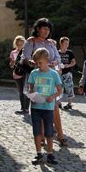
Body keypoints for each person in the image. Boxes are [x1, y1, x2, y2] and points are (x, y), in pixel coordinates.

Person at [22, 18, 67, 146]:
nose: (46, 31)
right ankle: (41, 136)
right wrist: (32, 62)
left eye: (48, 29)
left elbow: (58, 58)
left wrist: (54, 63)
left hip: (50, 78)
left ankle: (60, 134)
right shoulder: (31, 42)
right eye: (44, 28)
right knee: (38, 106)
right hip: (36, 77)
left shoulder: (51, 44)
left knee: (54, 106)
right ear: (38, 29)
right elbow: (25, 57)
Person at [28, 48, 62, 165]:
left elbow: (59, 90)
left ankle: (50, 154)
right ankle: (38, 153)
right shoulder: (34, 73)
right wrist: (31, 94)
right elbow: (30, 87)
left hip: (48, 107)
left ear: (47, 60)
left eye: (40, 63)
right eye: (36, 63)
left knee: (49, 131)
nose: (38, 65)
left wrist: (52, 97)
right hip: (36, 107)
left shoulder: (53, 74)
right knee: (37, 131)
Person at [9, 35, 29, 114]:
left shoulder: (27, 52)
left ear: (24, 44)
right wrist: (12, 63)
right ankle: (22, 108)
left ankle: (26, 109)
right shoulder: (13, 52)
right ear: (15, 44)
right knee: (21, 92)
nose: (20, 46)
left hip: (25, 74)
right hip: (17, 74)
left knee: (26, 91)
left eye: (21, 44)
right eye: (18, 44)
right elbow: (11, 66)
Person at [58, 37, 76, 110]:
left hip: (67, 73)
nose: (67, 45)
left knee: (69, 88)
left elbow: (74, 62)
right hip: (58, 73)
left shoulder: (70, 53)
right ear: (61, 43)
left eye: (67, 43)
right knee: (59, 88)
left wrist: (68, 65)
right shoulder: (57, 52)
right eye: (65, 43)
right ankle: (59, 103)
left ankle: (69, 104)